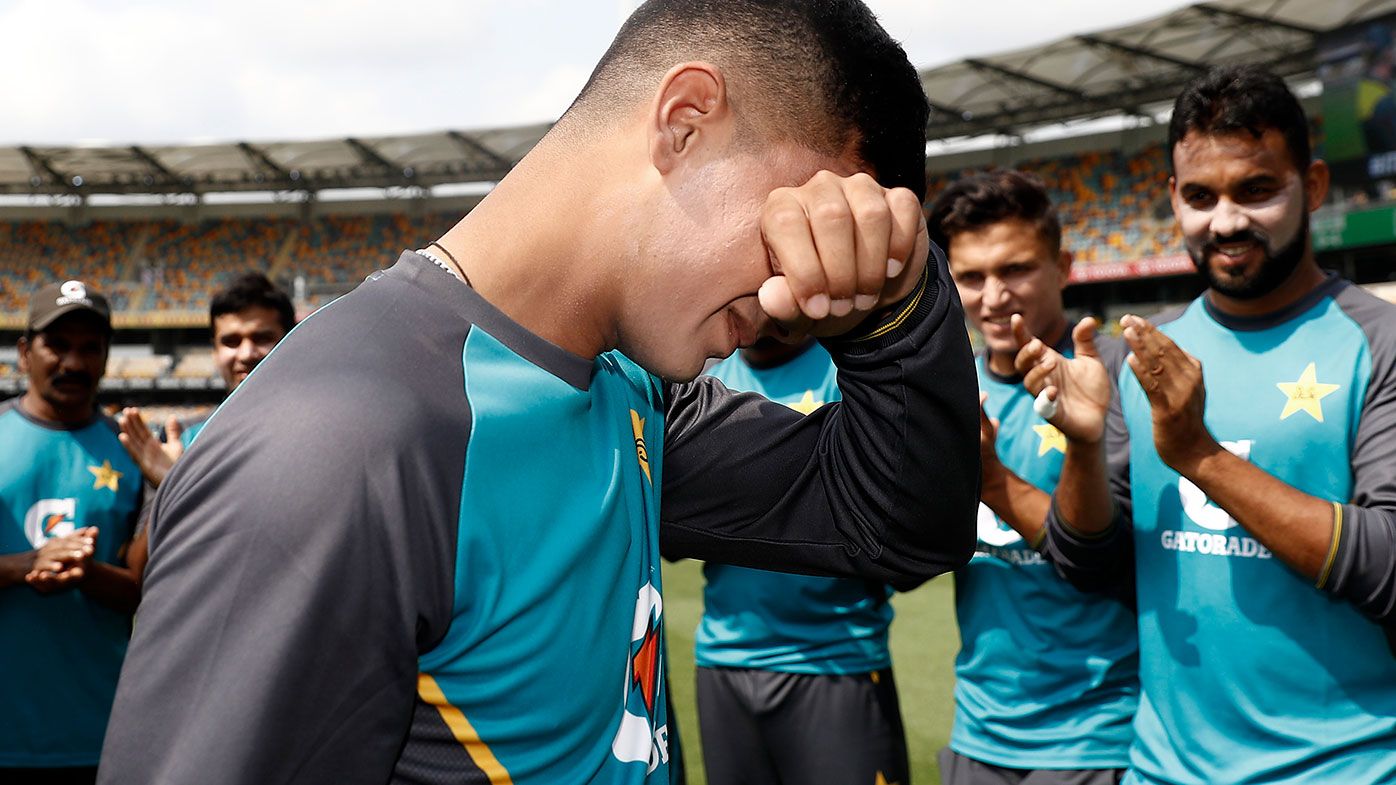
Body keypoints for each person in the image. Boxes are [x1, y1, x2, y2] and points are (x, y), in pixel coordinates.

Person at [97, 2, 981, 784]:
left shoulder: (630, 389)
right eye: (801, 221)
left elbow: (899, 523)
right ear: (684, 120)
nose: (799, 283)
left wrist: (898, 309)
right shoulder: (336, 445)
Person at [1016, 65, 1396, 784]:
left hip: (1344, 767)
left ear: (1312, 187)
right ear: (1172, 199)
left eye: (1255, 189)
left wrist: (1202, 455)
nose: (1224, 220)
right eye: (1200, 195)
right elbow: (1088, 564)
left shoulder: (1379, 343)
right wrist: (1086, 449)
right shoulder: (1140, 352)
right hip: (1162, 769)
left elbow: (1389, 562)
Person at [930, 170, 1137, 785]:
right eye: (970, 277)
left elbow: (1112, 559)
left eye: (1015, 269)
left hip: (1094, 736)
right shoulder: (948, 387)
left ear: (1064, 266)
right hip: (979, 729)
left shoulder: (1116, 378)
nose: (993, 296)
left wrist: (993, 480)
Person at [695, 336, 908, 785]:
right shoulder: (707, 378)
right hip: (723, 659)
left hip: (834, 660)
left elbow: (900, 526)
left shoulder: (849, 373)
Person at [0, 281, 147, 785]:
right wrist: (23, 566)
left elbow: (141, 592)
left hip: (98, 733)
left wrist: (85, 573)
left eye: (90, 348)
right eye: (57, 345)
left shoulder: (131, 453)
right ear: (25, 353)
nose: (74, 362)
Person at [118, 272, 295, 486]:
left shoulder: (319, 433)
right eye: (231, 341)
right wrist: (170, 487)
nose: (247, 353)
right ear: (215, 351)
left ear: (291, 341)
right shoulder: (181, 439)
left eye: (262, 338)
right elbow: (149, 520)